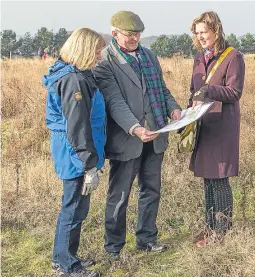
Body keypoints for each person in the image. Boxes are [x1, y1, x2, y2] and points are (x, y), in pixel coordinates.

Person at [93, 10, 181, 259]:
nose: (135, 39)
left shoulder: (150, 56)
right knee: (119, 196)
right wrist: (135, 128)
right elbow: (114, 101)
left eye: (138, 34)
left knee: (151, 190)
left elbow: (161, 90)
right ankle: (114, 249)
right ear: (114, 33)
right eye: (130, 35)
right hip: (127, 139)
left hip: (156, 137)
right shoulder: (104, 62)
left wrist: (173, 109)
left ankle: (146, 239)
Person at [42, 28, 106, 277]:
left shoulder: (78, 74)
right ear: (86, 50)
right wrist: (89, 165)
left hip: (75, 151)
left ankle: (65, 257)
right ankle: (66, 265)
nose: (100, 55)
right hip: (75, 154)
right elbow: (78, 126)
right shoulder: (73, 81)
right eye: (98, 50)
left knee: (76, 206)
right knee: (73, 207)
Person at [188, 11, 245, 247]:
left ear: (216, 30)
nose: (201, 37)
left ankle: (222, 232)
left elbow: (234, 92)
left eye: (204, 32)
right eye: (197, 33)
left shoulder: (234, 57)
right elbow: (194, 90)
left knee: (220, 179)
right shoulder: (199, 57)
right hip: (203, 124)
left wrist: (209, 90)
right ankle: (210, 226)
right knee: (207, 179)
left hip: (222, 126)